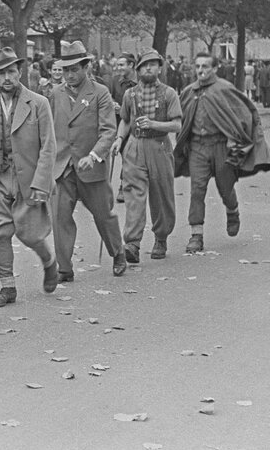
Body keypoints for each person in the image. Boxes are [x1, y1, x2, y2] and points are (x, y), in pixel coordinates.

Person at [0, 47, 58, 307]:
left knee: (30, 234)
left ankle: (49, 262)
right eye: (1, 73)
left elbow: (48, 147)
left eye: (11, 71)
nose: (7, 77)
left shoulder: (38, 103)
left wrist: (41, 183)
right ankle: (7, 287)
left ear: (20, 72)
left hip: (27, 178)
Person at [174, 52, 270, 253]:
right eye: (198, 66)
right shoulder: (188, 92)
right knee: (197, 189)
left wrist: (237, 142)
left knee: (225, 187)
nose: (200, 70)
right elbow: (178, 117)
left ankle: (232, 210)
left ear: (215, 68)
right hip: (197, 147)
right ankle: (196, 235)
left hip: (221, 146)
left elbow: (245, 115)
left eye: (205, 66)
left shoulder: (224, 89)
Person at [49, 41, 127, 282]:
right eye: (65, 70)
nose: (69, 75)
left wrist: (94, 155)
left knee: (103, 215)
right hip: (63, 167)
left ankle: (118, 252)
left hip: (91, 166)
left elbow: (108, 131)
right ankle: (64, 268)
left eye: (74, 69)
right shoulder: (55, 94)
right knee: (59, 217)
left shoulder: (99, 92)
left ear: (86, 68)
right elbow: (49, 130)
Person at [111, 49, 182, 262]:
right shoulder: (129, 94)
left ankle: (161, 237)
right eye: (144, 65)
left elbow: (177, 124)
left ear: (160, 68)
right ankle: (132, 243)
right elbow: (124, 120)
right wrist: (118, 139)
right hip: (134, 145)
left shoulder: (169, 94)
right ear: (138, 69)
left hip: (159, 145)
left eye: (153, 64)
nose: (148, 68)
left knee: (161, 194)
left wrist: (154, 124)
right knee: (134, 195)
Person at [110, 52, 137, 203]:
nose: (118, 68)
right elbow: (110, 97)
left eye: (121, 65)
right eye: (117, 65)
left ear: (131, 65)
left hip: (134, 125)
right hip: (117, 123)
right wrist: (112, 104)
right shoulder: (114, 81)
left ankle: (123, 186)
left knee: (129, 155)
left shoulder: (140, 83)